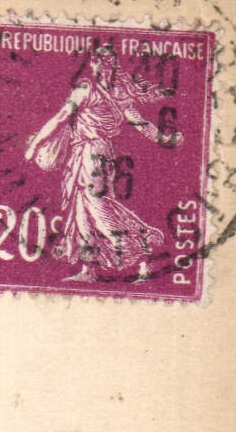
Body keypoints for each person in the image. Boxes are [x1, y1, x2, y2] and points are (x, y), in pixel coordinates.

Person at [24, 43, 180, 283]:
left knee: (99, 208)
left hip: (90, 152)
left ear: (97, 65)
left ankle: (144, 249)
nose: (99, 68)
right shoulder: (120, 96)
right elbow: (142, 125)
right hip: (99, 153)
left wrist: (35, 144)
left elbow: (60, 118)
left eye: (100, 64)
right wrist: (165, 139)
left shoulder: (87, 89)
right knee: (82, 210)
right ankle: (89, 270)